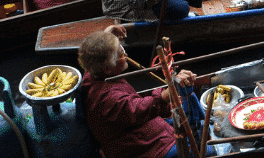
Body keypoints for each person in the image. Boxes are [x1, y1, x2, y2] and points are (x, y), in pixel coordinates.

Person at [78, 27, 211, 158]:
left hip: (142, 128)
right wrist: (166, 94)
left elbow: (97, 52)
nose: (125, 55)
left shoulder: (92, 72)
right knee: (208, 150)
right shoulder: (108, 99)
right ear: (107, 68)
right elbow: (137, 108)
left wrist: (108, 34)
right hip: (142, 147)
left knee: (196, 124)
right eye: (121, 53)